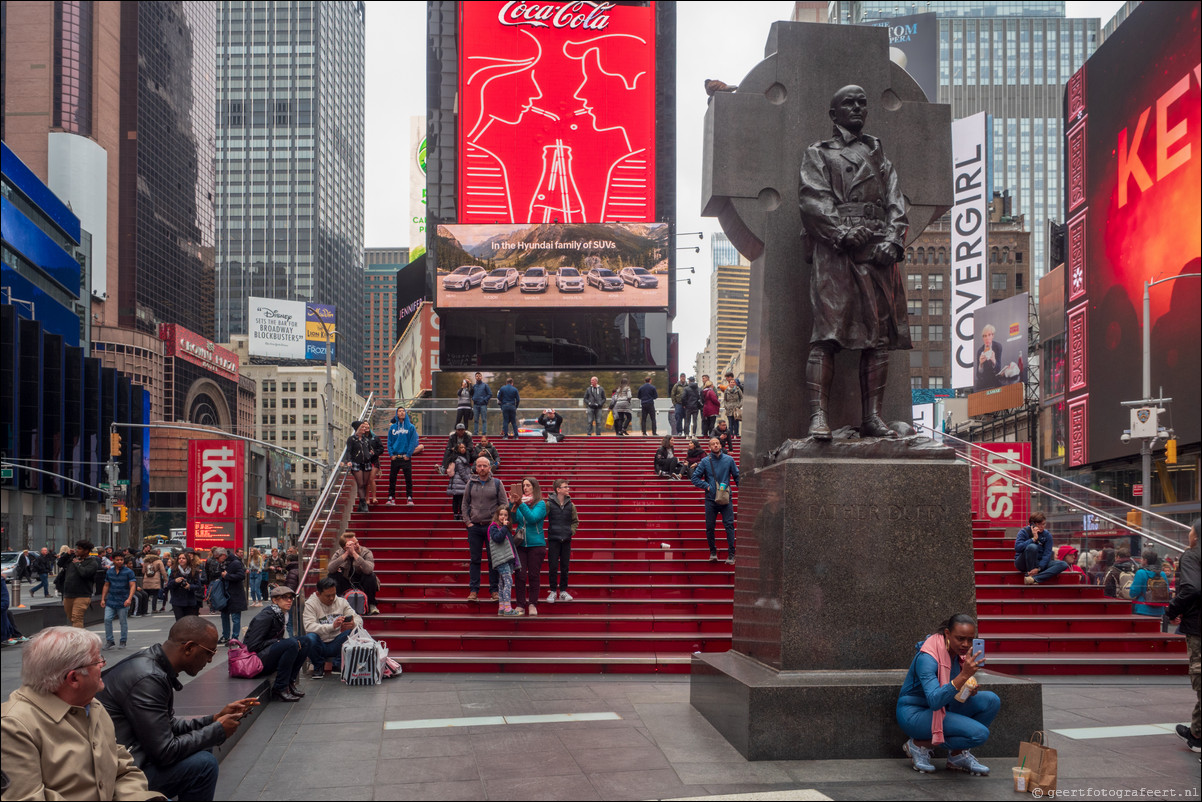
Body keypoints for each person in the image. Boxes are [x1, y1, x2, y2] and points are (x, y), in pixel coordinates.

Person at [799, 85, 910, 440]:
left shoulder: (879, 155)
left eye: (863, 102)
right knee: (827, 336)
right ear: (834, 114)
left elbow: (897, 202)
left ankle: (872, 418)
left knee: (877, 340)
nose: (858, 107)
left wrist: (894, 239)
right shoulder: (819, 153)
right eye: (849, 102)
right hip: (837, 254)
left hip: (877, 253)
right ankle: (819, 416)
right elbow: (813, 199)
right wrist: (840, 233)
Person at [97, 616, 257, 802]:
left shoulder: (155, 666)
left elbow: (168, 725)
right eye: (209, 653)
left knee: (204, 750)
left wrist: (214, 719)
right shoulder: (148, 679)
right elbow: (165, 752)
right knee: (204, 765)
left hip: (136, 754)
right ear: (189, 648)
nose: (211, 660)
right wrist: (217, 731)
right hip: (122, 776)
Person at [1, 627, 159, 800]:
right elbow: (27, 797)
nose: (103, 664)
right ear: (74, 678)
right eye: (97, 661)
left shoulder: (91, 704)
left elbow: (123, 769)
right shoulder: (12, 726)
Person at [896, 613, 997, 775]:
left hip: (945, 707)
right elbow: (935, 700)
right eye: (960, 638)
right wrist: (964, 675)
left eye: (970, 640)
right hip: (915, 714)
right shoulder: (927, 657)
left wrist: (967, 688)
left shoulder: (959, 655)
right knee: (979, 734)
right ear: (947, 634)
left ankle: (957, 756)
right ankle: (919, 744)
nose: (966, 644)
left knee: (991, 700)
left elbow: (951, 689)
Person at [244, 586, 311, 702]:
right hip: (256, 660)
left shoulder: (282, 614)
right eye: (285, 598)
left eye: (291, 598)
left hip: (268, 654)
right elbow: (252, 646)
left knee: (306, 641)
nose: (289, 600)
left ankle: (290, 683)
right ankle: (280, 687)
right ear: (275, 600)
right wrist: (278, 641)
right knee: (291, 643)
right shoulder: (266, 616)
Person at [1167, 518, 1200, 753]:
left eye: (1190, 531)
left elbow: (1192, 588)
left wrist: (1173, 609)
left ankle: (1197, 735)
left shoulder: (1192, 555)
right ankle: (1196, 733)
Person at [463, 455, 508, 602]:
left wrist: (499, 523)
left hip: (491, 527)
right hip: (474, 527)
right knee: (475, 559)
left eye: (485, 466)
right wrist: (468, 522)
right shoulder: (470, 483)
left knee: (493, 560)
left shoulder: (497, 483)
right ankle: (474, 591)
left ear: (489, 468)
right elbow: (465, 504)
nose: (482, 468)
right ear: (476, 467)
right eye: (479, 466)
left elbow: (504, 504)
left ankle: (494, 590)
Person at [301, 577, 362, 679]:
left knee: (354, 630)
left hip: (336, 642)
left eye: (334, 594)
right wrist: (332, 626)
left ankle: (337, 664)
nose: (331, 598)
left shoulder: (341, 602)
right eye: (328, 596)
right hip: (319, 643)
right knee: (309, 637)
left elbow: (358, 618)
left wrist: (354, 623)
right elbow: (309, 627)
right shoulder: (310, 604)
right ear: (318, 594)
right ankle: (318, 666)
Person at [692, 437, 740, 564]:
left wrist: (743, 491)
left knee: (729, 525)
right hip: (710, 499)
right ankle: (713, 552)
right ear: (709, 447)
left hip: (725, 499)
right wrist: (707, 486)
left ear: (720, 445)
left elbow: (737, 476)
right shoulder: (705, 461)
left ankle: (731, 554)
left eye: (717, 443)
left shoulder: (729, 460)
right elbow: (695, 478)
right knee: (709, 527)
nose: (715, 445)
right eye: (713, 444)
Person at [512, 477, 548, 616]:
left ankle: (533, 603)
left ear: (534, 487)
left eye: (528, 485)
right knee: (520, 575)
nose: (525, 488)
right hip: (520, 544)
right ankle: (520, 604)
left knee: (533, 575)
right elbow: (514, 520)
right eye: (523, 485)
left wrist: (521, 504)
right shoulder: (521, 502)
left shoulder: (541, 504)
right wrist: (512, 506)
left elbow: (533, 519)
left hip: (536, 545)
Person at [327, 532, 381, 615]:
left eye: (357, 542)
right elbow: (330, 568)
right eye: (352, 544)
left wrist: (355, 554)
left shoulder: (366, 552)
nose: (356, 545)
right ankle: (336, 605)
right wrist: (346, 554)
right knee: (332, 576)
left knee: (371, 576)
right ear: (345, 547)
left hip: (362, 583)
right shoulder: (339, 553)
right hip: (346, 583)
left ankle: (371, 604)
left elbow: (369, 569)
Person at [545, 479, 579, 603]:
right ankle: (553, 591)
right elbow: (542, 516)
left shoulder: (571, 505)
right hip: (554, 539)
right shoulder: (549, 504)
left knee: (565, 567)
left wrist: (571, 531)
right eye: (565, 487)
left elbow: (575, 521)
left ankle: (563, 591)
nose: (568, 489)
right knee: (553, 566)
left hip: (566, 540)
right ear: (558, 489)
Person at [1013, 512, 1068, 585]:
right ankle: (1030, 573)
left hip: (1039, 563)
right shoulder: (1024, 532)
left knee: (1063, 564)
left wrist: (1039, 568)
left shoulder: (1047, 535)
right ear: (1032, 524)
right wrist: (1033, 539)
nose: (1042, 527)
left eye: (1044, 524)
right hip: (1023, 562)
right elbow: (1018, 548)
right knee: (1032, 547)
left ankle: (1034, 578)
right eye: (1039, 524)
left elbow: (1047, 554)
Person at [489, 508, 523, 616]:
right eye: (501, 514)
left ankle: (502, 607)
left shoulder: (505, 528)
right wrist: (504, 527)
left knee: (502, 582)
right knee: (508, 581)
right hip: (501, 559)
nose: (504, 517)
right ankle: (508, 609)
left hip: (506, 558)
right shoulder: (493, 527)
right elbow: (497, 538)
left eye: (506, 515)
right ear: (497, 515)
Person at [386, 405, 422, 506]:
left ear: (405, 413)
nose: (401, 412)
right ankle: (391, 497)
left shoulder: (411, 427)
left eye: (403, 411)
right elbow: (389, 442)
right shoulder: (392, 428)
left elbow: (412, 441)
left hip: (405, 457)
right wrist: (391, 454)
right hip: (395, 457)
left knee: (408, 478)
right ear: (397, 414)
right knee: (392, 478)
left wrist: (409, 454)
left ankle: (409, 498)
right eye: (399, 411)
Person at [102, 553, 139, 648]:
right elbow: (106, 585)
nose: (120, 561)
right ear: (113, 560)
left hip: (123, 600)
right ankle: (110, 640)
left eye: (121, 560)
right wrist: (103, 599)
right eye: (117, 560)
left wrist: (129, 598)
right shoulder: (109, 572)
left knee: (123, 621)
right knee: (107, 619)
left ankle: (123, 640)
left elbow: (132, 585)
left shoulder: (128, 572)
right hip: (111, 600)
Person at [60, 539, 99, 628]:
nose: (77, 550)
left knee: (77, 617)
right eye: (77, 548)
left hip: (82, 595)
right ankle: (81, 636)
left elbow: (84, 573)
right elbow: (60, 563)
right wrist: (67, 554)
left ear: (86, 551)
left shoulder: (92, 562)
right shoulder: (72, 559)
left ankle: (78, 640)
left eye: (80, 549)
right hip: (69, 593)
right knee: (71, 618)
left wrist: (78, 564)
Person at [213, 547, 247, 644]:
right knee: (224, 616)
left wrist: (227, 576)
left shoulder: (235, 563)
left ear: (223, 555)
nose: (216, 560)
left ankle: (234, 638)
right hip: (225, 593)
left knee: (235, 618)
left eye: (217, 558)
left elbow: (241, 576)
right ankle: (226, 636)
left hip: (235, 594)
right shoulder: (223, 563)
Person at [343, 419, 376, 513]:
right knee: (360, 484)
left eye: (365, 427)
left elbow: (370, 449)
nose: (364, 428)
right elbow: (348, 451)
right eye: (362, 427)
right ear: (357, 428)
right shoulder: (352, 439)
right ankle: (363, 503)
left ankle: (361, 506)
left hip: (366, 463)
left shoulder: (366, 439)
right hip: (356, 464)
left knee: (365, 484)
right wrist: (348, 461)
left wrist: (370, 454)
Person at [1129, 549, 1171, 617]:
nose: (1141, 560)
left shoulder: (1141, 572)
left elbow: (1134, 592)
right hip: (1159, 609)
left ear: (1145, 560)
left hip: (1142, 608)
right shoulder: (1162, 574)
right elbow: (1167, 590)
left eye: (1142, 559)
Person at [168, 550, 203, 621]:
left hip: (190, 601)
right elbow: (169, 585)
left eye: (183, 558)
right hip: (177, 600)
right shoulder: (174, 571)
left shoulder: (194, 571)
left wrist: (190, 586)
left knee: (189, 623)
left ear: (187, 560)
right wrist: (175, 581)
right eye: (179, 558)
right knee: (180, 622)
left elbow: (198, 586)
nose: (181, 560)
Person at [974, 324, 1005, 391]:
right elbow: (978, 375)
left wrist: (994, 361)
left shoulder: (998, 347)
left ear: (993, 336)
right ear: (983, 338)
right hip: (984, 383)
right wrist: (980, 364)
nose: (987, 338)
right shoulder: (980, 351)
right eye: (985, 336)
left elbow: (998, 369)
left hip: (995, 381)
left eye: (989, 335)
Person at [447, 441, 473, 520]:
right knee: (460, 499)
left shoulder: (461, 457)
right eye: (461, 447)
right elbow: (462, 472)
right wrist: (468, 480)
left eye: (464, 447)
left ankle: (457, 514)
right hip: (460, 481)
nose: (463, 449)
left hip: (457, 481)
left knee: (457, 498)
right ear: (457, 449)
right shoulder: (458, 459)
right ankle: (459, 514)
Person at [366, 423, 386, 505]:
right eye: (364, 426)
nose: (366, 427)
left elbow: (381, 448)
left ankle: (374, 497)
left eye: (367, 425)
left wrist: (374, 453)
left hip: (374, 461)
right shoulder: (360, 438)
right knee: (366, 480)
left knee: (371, 478)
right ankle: (367, 499)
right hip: (364, 461)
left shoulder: (375, 437)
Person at [723, 372, 744, 438]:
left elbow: (742, 398)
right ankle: (731, 434)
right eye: (731, 382)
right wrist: (726, 406)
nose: (732, 383)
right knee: (730, 423)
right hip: (729, 408)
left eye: (733, 382)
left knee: (736, 422)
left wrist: (739, 405)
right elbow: (725, 400)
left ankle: (736, 434)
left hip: (736, 408)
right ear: (729, 383)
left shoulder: (738, 390)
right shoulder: (726, 390)